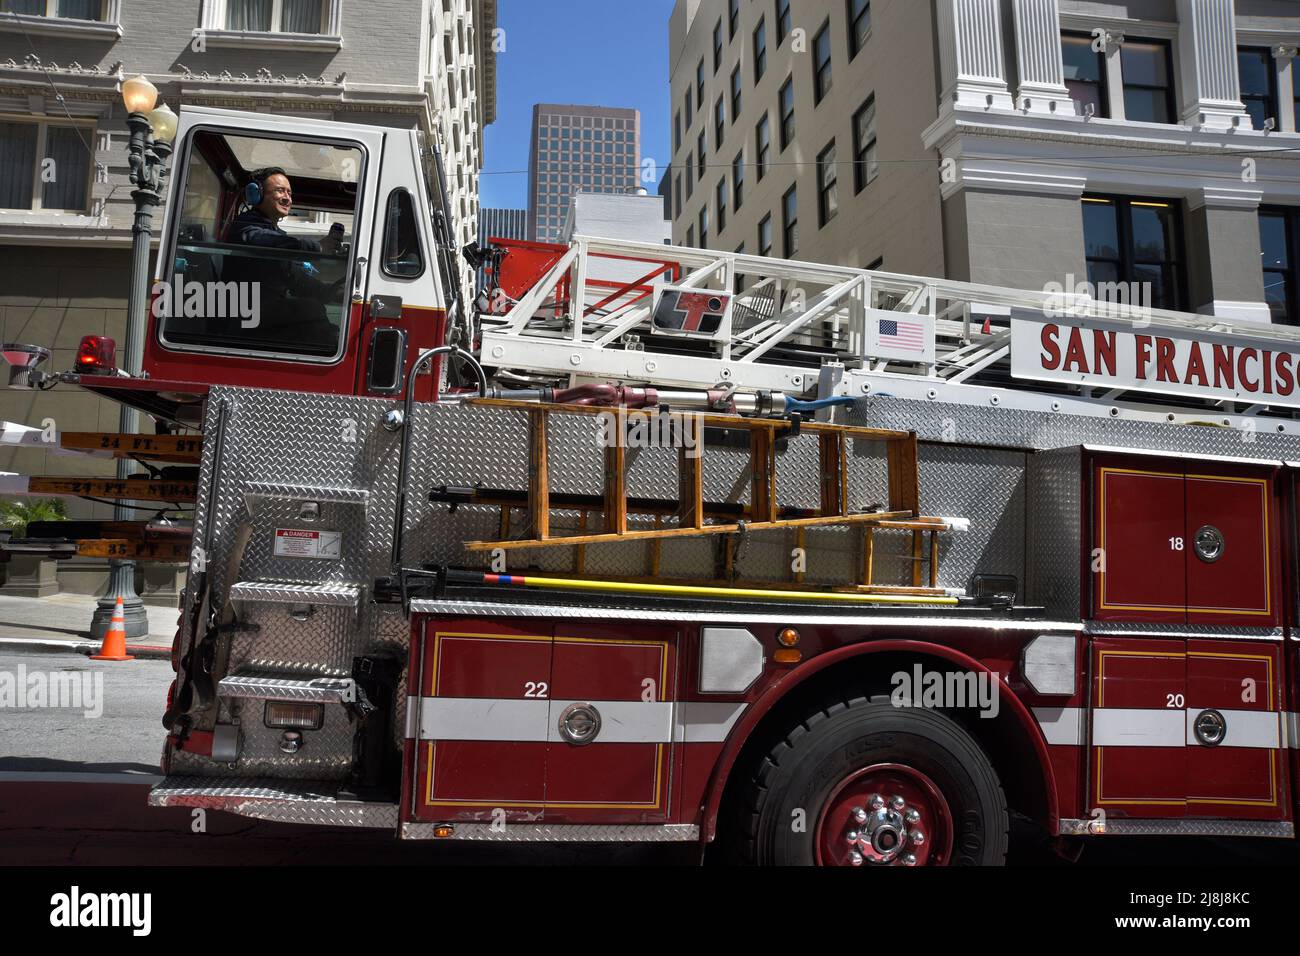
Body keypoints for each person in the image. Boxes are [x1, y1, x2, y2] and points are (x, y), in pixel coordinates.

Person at [226, 167, 344, 351]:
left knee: (316, 316)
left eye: (289, 193)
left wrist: (330, 292)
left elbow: (295, 277)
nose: (287, 198)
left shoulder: (276, 234)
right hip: (245, 315)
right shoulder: (246, 225)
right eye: (280, 191)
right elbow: (265, 242)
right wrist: (319, 247)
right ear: (256, 194)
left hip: (263, 315)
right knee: (311, 310)